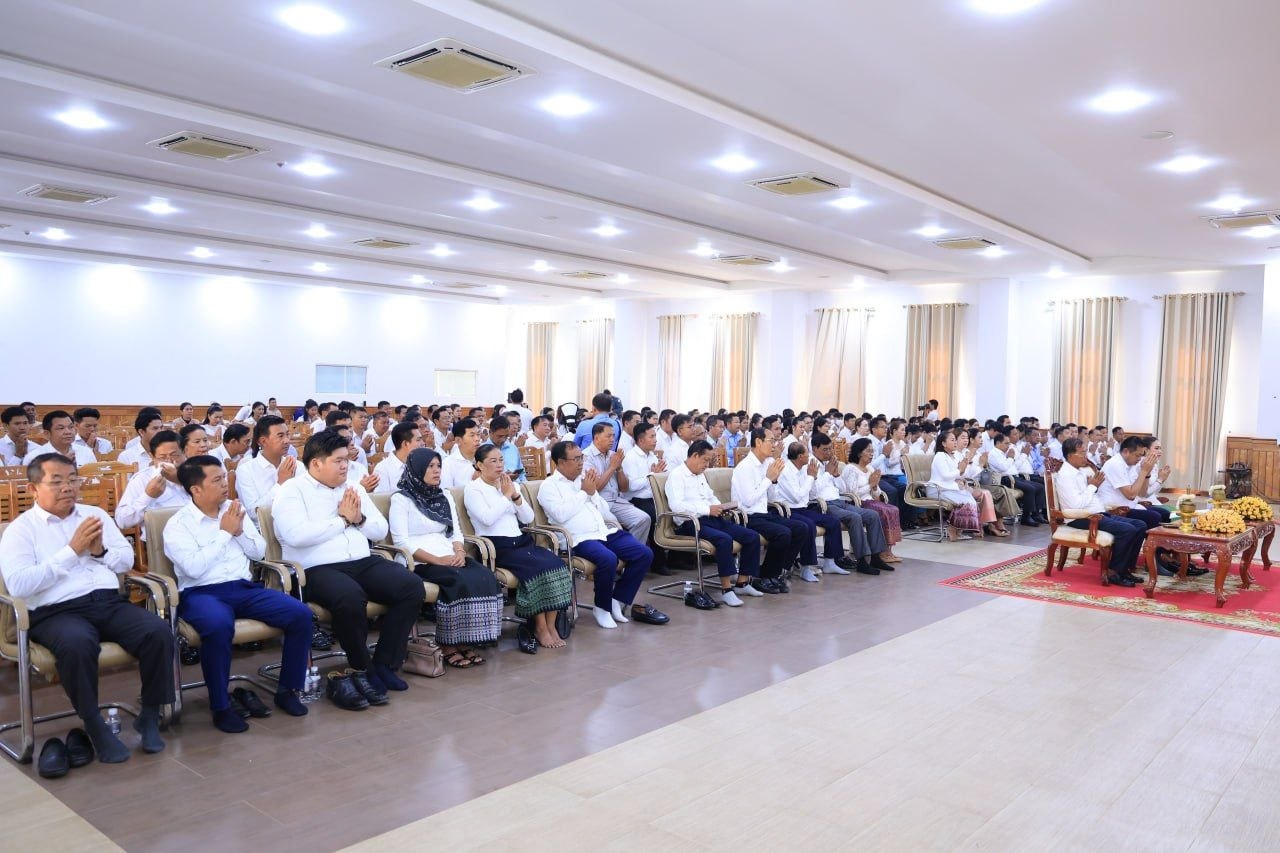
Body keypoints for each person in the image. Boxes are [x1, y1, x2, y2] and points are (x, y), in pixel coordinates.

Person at [0, 453, 174, 768]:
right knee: (78, 644)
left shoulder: (94, 515)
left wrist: (100, 551)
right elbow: (20, 585)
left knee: (158, 632)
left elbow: (125, 560)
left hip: (107, 602)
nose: (68, 487)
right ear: (34, 488)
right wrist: (72, 551)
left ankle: (149, 715)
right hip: (56, 612)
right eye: (57, 481)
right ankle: (94, 724)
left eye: (72, 480)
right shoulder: (20, 530)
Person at [272, 430, 424, 709]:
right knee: (349, 596)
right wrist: (342, 521)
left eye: (346, 460)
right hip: (316, 568)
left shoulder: (353, 486)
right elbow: (296, 535)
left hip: (362, 560)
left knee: (411, 586)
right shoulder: (291, 490)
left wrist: (359, 518)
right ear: (316, 463)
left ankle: (385, 663)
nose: (346, 466)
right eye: (338, 460)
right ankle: (362, 667)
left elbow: (379, 530)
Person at [164, 456, 313, 732]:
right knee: (218, 626)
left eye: (224, 477)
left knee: (300, 614)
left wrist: (240, 532)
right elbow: (193, 569)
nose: (225, 484)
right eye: (217, 480)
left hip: (243, 588)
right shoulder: (178, 524)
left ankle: (288, 689)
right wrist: (224, 533)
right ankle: (221, 706)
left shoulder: (235, 510)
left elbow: (258, 552)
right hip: (201, 593)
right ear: (196, 489)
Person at [390, 448, 502, 667]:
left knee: (484, 575)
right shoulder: (401, 499)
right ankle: (448, 643)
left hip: (449, 553)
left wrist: (459, 552)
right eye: (430, 466)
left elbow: (456, 532)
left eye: (439, 466)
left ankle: (466, 640)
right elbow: (401, 542)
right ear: (417, 469)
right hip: (419, 560)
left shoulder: (444, 495)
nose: (436, 471)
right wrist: (437, 560)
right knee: (457, 580)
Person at [540, 441, 665, 628]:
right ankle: (602, 607)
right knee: (608, 559)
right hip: (578, 538)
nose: (581, 463)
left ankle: (617, 599)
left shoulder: (584, 480)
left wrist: (592, 494)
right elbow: (560, 514)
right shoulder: (549, 486)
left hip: (603, 532)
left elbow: (604, 511)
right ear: (561, 462)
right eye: (576, 459)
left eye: (581, 458)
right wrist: (584, 493)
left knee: (644, 553)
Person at [463, 444, 572, 650]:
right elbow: (487, 519)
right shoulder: (473, 489)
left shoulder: (510, 485)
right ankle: (540, 627)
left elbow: (528, 518)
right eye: (493, 461)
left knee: (557, 565)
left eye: (501, 460)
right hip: (496, 546)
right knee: (537, 571)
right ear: (479, 465)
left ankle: (551, 625)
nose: (499, 465)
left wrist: (515, 496)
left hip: (520, 541)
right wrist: (505, 496)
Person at [666, 440, 762, 606]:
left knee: (752, 536)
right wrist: (707, 509)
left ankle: (742, 583)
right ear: (694, 456)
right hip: (690, 523)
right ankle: (727, 590)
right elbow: (677, 506)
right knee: (723, 539)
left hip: (711, 518)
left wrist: (720, 507)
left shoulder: (700, 474)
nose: (707, 464)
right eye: (705, 460)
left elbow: (710, 496)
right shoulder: (677, 475)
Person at [1056, 438, 1149, 587]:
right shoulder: (1066, 476)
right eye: (1082, 453)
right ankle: (1113, 572)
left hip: (1096, 513)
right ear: (1070, 456)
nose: (1086, 456)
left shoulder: (1079, 472)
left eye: (1086, 452)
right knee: (1127, 530)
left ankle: (1125, 568)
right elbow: (1076, 505)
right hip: (1081, 518)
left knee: (1140, 525)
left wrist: (1092, 487)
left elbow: (1086, 497)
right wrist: (1093, 486)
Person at [809, 433, 891, 575]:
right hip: (824, 505)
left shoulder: (828, 464)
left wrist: (836, 475)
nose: (829, 452)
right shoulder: (810, 464)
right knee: (855, 517)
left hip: (840, 501)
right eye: (825, 449)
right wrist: (828, 473)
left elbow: (843, 489)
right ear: (815, 449)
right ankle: (862, 561)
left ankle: (876, 557)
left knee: (872, 515)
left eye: (830, 448)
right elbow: (812, 492)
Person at [772, 441, 849, 582]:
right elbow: (796, 496)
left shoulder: (804, 468)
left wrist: (819, 476)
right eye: (807, 453)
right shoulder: (786, 471)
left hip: (803, 508)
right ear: (800, 456)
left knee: (833, 521)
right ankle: (806, 568)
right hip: (788, 510)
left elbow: (813, 491)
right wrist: (811, 477)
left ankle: (830, 562)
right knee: (808, 525)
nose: (809, 456)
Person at [582, 421, 652, 545]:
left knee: (643, 519)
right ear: (596, 438)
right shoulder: (586, 457)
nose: (612, 439)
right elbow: (595, 488)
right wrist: (612, 467)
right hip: (598, 502)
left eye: (613, 436)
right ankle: (623, 551)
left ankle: (633, 551)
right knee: (615, 527)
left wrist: (619, 469)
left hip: (616, 500)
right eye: (608, 436)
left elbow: (624, 488)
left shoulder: (613, 455)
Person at [841, 438, 904, 562]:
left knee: (893, 509)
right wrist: (870, 485)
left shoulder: (869, 468)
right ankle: (881, 552)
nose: (871, 454)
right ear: (859, 453)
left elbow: (877, 494)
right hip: (857, 503)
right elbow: (852, 493)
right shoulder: (851, 469)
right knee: (884, 511)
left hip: (871, 501)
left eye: (872, 451)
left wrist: (875, 487)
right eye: (868, 451)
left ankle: (888, 550)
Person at [115, 430, 191, 532]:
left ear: (184, 452)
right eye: (162, 457)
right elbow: (122, 521)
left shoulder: (197, 473)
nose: (169, 461)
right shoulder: (142, 479)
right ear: (152, 456)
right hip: (160, 537)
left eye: (175, 455)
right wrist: (148, 496)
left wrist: (180, 481)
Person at [235, 415, 297, 525]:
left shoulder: (297, 465)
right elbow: (254, 513)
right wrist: (280, 484)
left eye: (287, 434)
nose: (287, 440)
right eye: (280, 436)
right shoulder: (246, 470)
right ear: (263, 441)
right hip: (265, 530)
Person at [1098, 437, 1169, 528]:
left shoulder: (1130, 464)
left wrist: (1147, 473)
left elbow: (1142, 494)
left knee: (1163, 514)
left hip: (1129, 505)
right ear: (1126, 451)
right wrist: (1144, 471)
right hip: (1115, 509)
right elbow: (1131, 495)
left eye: (1141, 455)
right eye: (1137, 455)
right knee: (1154, 517)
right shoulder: (1115, 464)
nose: (1139, 459)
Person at [927, 432, 983, 540]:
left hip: (948, 488)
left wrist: (965, 465)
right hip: (938, 489)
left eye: (955, 440)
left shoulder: (951, 456)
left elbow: (958, 474)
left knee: (970, 500)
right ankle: (952, 529)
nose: (955, 442)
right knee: (966, 501)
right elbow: (946, 475)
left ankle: (958, 530)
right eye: (952, 440)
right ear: (943, 443)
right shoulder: (940, 456)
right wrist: (959, 470)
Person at [988, 432, 1046, 527]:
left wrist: (1012, 458)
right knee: (1030, 489)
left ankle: (1036, 514)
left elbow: (1014, 467)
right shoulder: (993, 454)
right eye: (1006, 443)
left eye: (1009, 443)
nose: (1008, 446)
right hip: (1005, 479)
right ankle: (1026, 517)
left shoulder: (1003, 453)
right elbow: (1003, 468)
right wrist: (1011, 458)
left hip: (1015, 477)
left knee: (1040, 487)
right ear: (998, 443)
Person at [23, 411, 96, 466]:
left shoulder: (86, 452)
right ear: (47, 434)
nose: (68, 432)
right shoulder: (34, 457)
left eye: (71, 427)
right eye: (61, 428)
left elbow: (96, 478)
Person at [373, 421, 422, 495]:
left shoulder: (421, 463)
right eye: (418, 440)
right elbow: (382, 499)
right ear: (405, 444)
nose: (423, 443)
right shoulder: (382, 469)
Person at [441, 418, 481, 490]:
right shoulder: (448, 464)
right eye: (472, 435)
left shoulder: (485, 457)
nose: (477, 439)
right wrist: (474, 484)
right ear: (458, 440)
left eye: (478, 434)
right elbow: (447, 494)